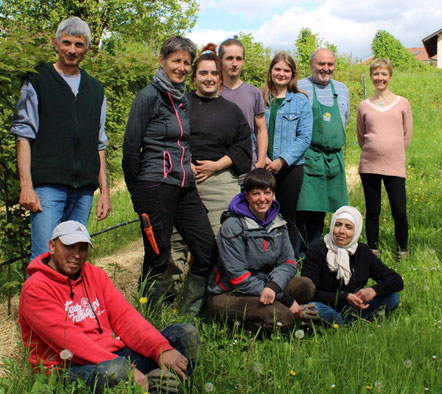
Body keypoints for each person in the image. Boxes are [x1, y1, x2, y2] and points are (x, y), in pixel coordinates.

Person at [18, 221, 200, 393]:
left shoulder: (94, 274)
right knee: (115, 372)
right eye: (69, 247)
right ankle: (154, 386)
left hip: (112, 357)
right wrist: (125, 368)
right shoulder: (36, 289)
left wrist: (160, 348)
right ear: (52, 247)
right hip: (67, 369)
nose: (76, 254)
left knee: (185, 335)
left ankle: (162, 385)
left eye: (82, 248)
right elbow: (70, 342)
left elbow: (126, 318)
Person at [122, 36, 217, 314]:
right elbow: (130, 147)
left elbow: (183, 143)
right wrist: (136, 191)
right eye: (176, 61)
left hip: (184, 185)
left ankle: (190, 312)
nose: (182, 67)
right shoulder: (148, 96)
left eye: (187, 62)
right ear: (162, 61)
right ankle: (147, 317)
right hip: (155, 186)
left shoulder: (181, 98)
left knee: (206, 247)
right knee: (158, 255)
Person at [12, 16, 111, 260]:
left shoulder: (96, 90)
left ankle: (69, 300)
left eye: (79, 45)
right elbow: (23, 135)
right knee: (44, 258)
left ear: (87, 49)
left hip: (83, 192)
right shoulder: (37, 81)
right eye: (66, 43)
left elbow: (99, 144)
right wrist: (27, 186)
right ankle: (39, 299)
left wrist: (105, 192)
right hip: (47, 188)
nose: (71, 50)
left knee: (74, 258)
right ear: (56, 44)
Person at [207, 168, 316, 333]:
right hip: (231, 293)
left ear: (273, 193)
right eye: (256, 193)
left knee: (305, 286)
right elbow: (238, 277)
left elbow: (289, 262)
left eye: (267, 193)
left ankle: (277, 310)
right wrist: (284, 298)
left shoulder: (278, 222)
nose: (262, 199)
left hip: (266, 286)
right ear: (246, 194)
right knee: (283, 316)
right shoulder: (232, 226)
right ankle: (234, 327)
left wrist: (273, 286)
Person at [186, 43, 252, 234]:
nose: (209, 78)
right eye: (203, 73)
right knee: (177, 241)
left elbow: (243, 146)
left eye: (214, 73)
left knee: (222, 236)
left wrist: (216, 166)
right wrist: (184, 162)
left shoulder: (232, 111)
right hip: (183, 178)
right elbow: (169, 139)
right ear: (194, 76)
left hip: (220, 181)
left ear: (220, 77)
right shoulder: (180, 105)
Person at [301, 206, 403, 325]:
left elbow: (396, 280)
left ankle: (345, 320)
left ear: (356, 231)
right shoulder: (318, 249)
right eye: (338, 225)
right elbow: (308, 293)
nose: (341, 231)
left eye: (348, 227)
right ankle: (343, 321)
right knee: (314, 309)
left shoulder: (362, 252)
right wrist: (345, 298)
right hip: (325, 305)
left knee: (393, 298)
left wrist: (373, 291)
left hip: (353, 307)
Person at [356, 58, 412, 260]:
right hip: (369, 165)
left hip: (395, 165)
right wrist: (375, 150)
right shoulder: (364, 105)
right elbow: (361, 135)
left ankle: (402, 250)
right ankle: (373, 250)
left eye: (384, 74)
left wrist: (393, 151)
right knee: (373, 211)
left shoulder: (402, 103)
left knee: (399, 210)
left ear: (390, 76)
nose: (380, 78)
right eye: (376, 74)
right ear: (371, 77)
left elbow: (406, 134)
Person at [296, 48, 350, 256]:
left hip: (333, 158)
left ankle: (316, 254)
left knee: (322, 210)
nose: (326, 69)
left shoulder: (342, 89)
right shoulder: (300, 86)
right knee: (303, 208)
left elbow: (344, 119)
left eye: (330, 64)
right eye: (321, 64)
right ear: (311, 64)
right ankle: (298, 256)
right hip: (308, 157)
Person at [262, 52, 313, 247]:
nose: (281, 74)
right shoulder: (261, 99)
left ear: (292, 74)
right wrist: (263, 158)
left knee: (287, 218)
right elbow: (253, 131)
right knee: (262, 215)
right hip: (263, 166)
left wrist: (281, 160)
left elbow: (304, 137)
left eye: (286, 70)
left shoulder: (301, 101)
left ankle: (288, 263)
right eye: (277, 69)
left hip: (290, 168)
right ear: (271, 71)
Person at [218, 38, 268, 169]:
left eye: (239, 58)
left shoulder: (254, 92)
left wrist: (261, 161)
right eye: (229, 58)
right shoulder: (212, 91)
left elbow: (261, 130)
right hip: (217, 165)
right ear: (220, 61)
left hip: (248, 164)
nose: (234, 63)